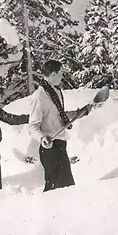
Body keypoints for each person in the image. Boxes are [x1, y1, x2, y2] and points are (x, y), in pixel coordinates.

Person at [28, 60, 92, 192]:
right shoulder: (39, 96)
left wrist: (82, 111)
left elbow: (60, 116)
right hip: (50, 147)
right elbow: (33, 126)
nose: (62, 76)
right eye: (60, 73)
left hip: (60, 145)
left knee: (61, 188)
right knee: (62, 189)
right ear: (52, 74)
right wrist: (42, 138)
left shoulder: (55, 93)